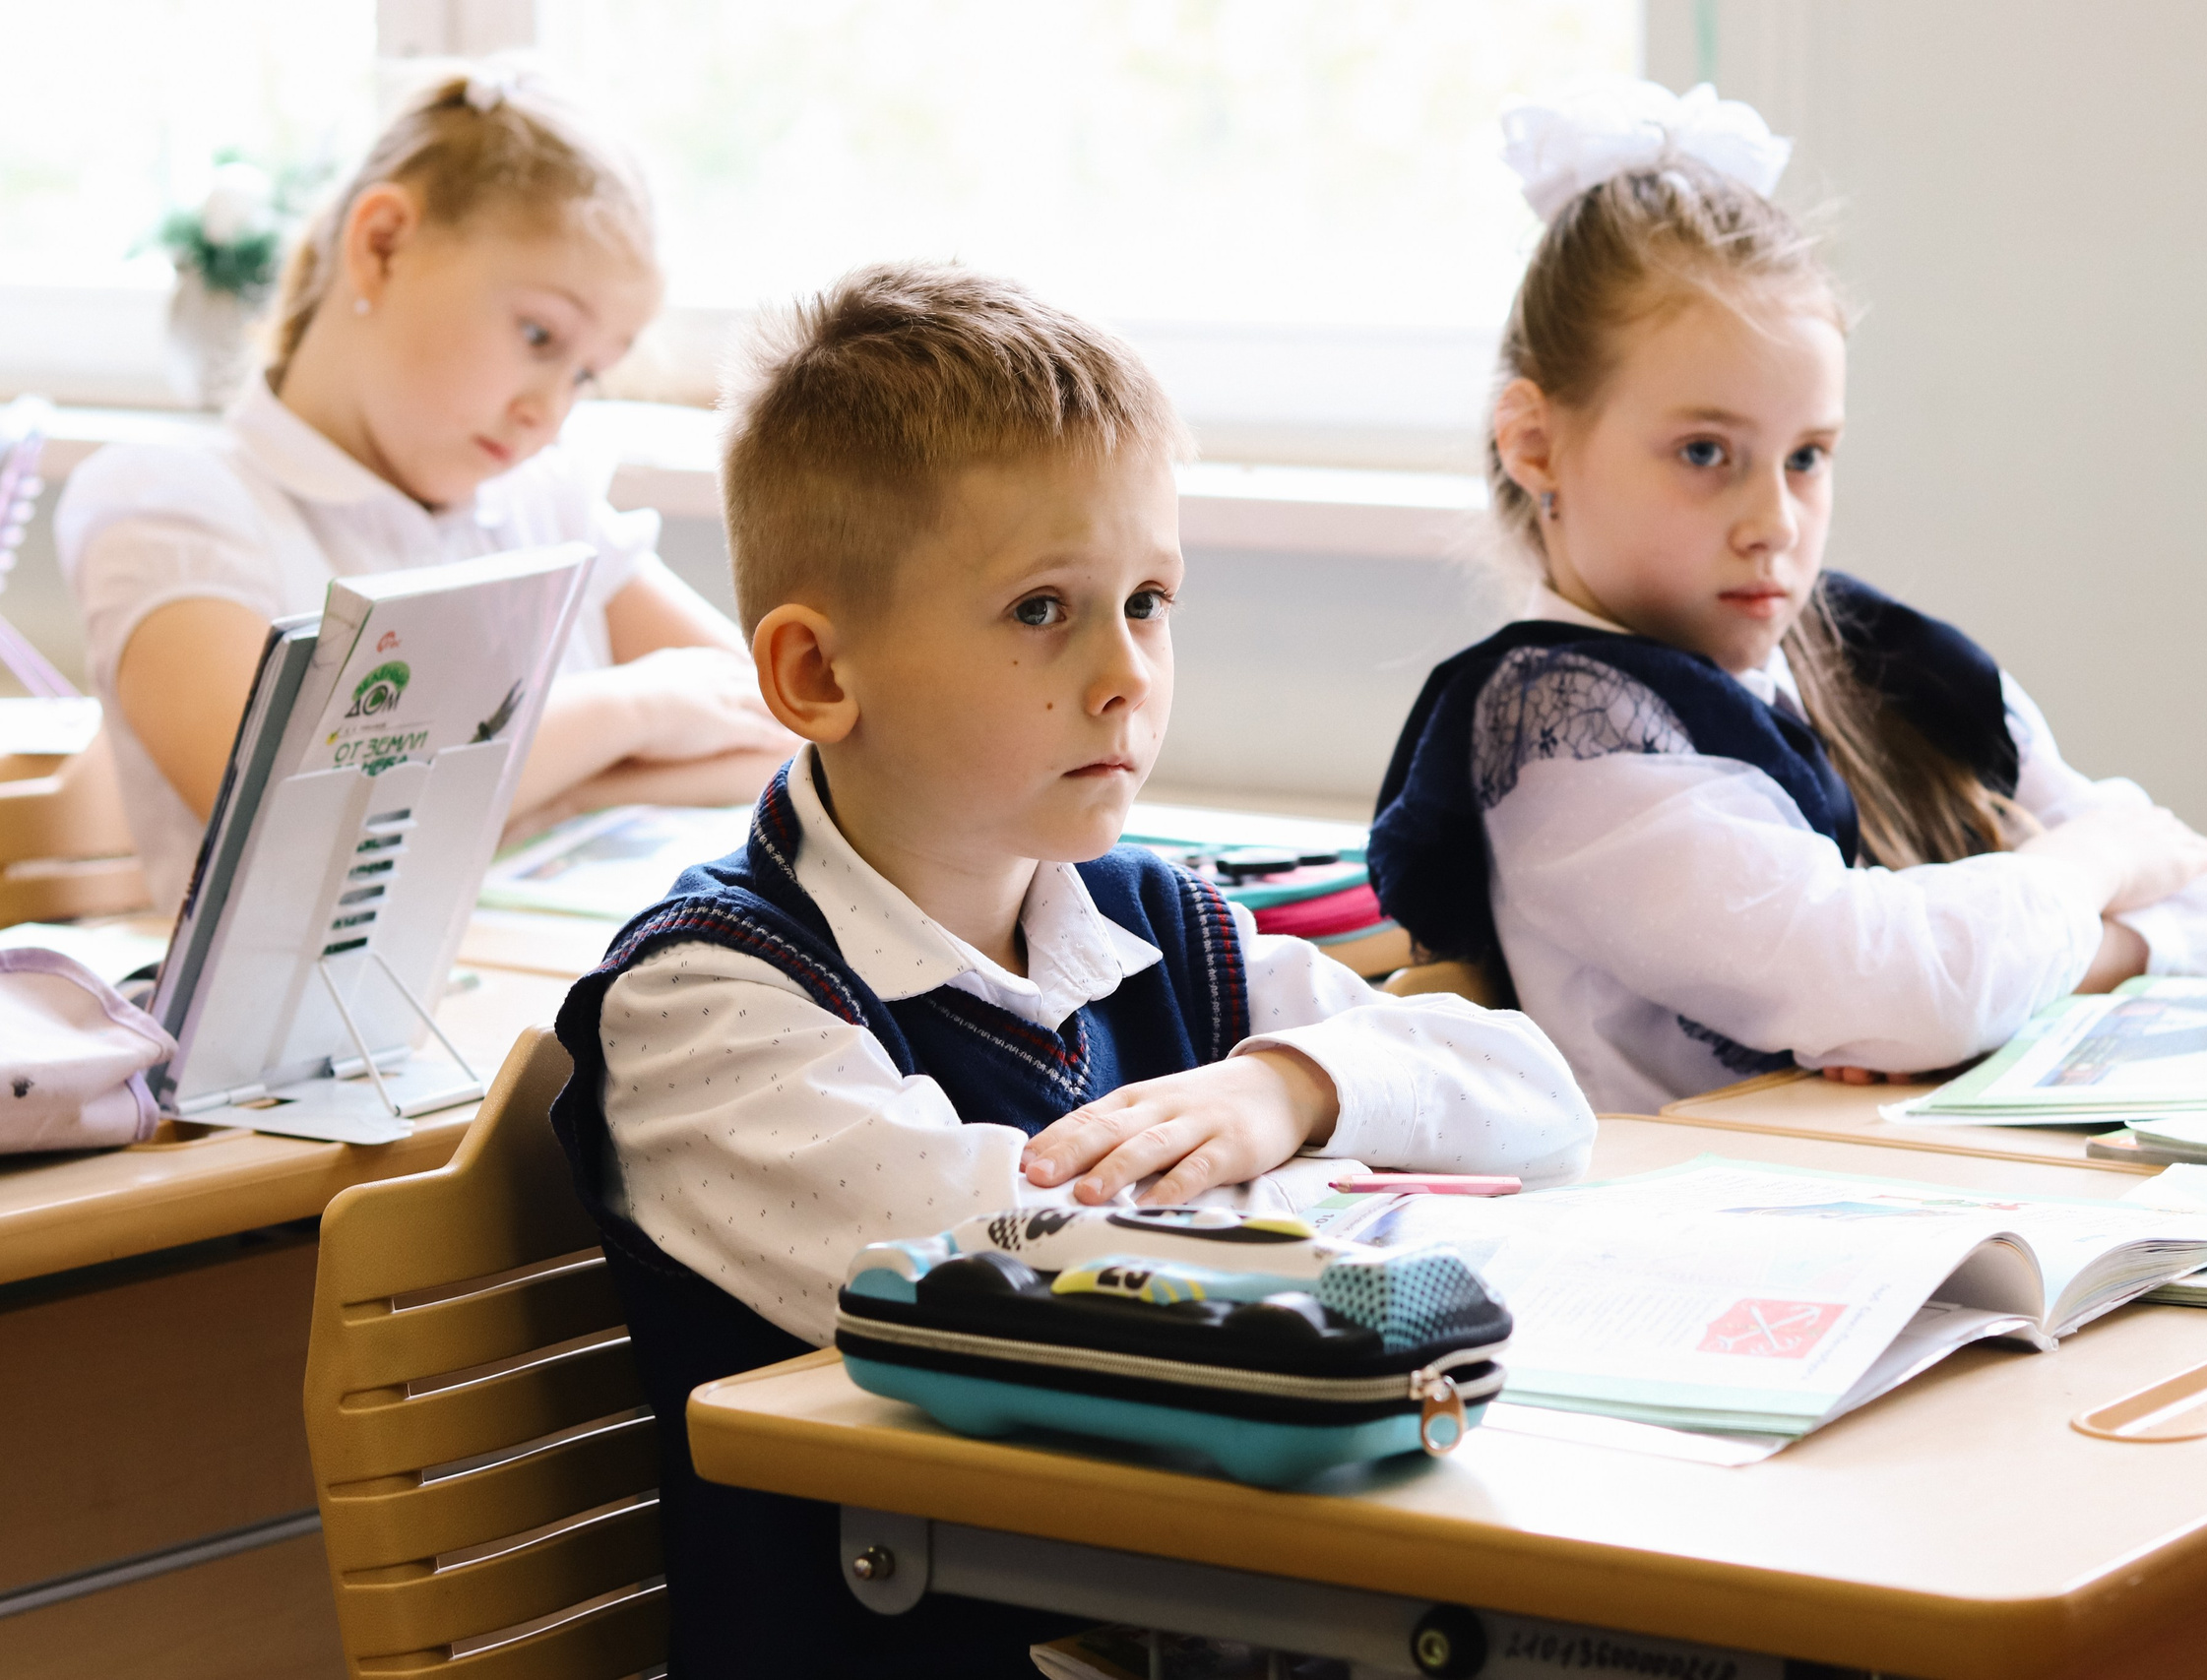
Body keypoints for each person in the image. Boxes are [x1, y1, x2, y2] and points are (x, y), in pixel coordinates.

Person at [546, 264, 1596, 1676]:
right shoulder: (707, 1005)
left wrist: (1285, 1087)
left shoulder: (1155, 915)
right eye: (1045, 609)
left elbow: (1535, 1099)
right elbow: (1031, 1260)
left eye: (1149, 600)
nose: (1126, 674)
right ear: (812, 675)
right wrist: (1351, 1177)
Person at [1369, 79, 2207, 1114]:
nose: (1774, 520)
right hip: (1702, 1231)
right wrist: (2096, 865)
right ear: (1533, 444)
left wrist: (1995, 983)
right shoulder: (1566, 736)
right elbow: (1895, 983)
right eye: (1704, 452)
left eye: (1806, 456)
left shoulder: (1877, 658)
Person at [54, 67, 791, 909]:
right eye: (538, 334)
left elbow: (776, 731)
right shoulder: (172, 506)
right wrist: (633, 710)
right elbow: (290, 827)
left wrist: (563, 790)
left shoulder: (547, 500)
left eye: (585, 373)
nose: (547, 412)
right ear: (383, 245)